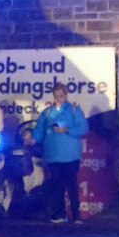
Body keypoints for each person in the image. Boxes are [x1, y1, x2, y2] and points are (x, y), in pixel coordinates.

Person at [35, 82, 89, 224]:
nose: (59, 98)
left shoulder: (74, 111)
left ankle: (76, 215)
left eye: (61, 96)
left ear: (65, 95)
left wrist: (67, 130)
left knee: (71, 185)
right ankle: (59, 214)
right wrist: (32, 139)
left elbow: (83, 128)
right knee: (56, 186)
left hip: (70, 156)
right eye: (56, 96)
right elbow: (39, 132)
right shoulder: (47, 113)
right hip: (53, 156)